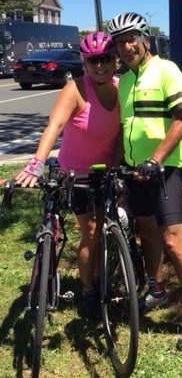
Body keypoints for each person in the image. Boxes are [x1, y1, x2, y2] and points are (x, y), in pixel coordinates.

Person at [108, 12, 182, 349]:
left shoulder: (166, 70)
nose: (126, 46)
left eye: (131, 38)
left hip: (165, 169)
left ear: (145, 38)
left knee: (172, 240)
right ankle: (156, 289)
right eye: (120, 42)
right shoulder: (124, 81)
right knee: (145, 232)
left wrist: (156, 159)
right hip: (137, 171)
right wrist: (115, 165)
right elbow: (126, 128)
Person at [15, 32, 120, 319]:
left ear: (115, 59)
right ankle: (87, 291)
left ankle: (103, 277)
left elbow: (125, 130)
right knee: (90, 232)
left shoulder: (123, 88)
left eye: (106, 58)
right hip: (75, 174)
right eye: (93, 60)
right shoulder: (74, 89)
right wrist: (36, 162)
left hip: (106, 172)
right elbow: (54, 125)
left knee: (105, 231)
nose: (100, 65)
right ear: (84, 63)